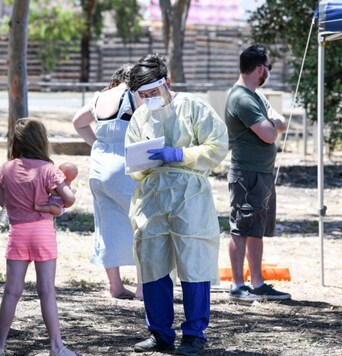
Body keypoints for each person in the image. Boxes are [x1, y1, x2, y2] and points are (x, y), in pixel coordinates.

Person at [126, 54, 228, 354]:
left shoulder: (194, 107)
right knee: (152, 263)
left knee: (193, 263)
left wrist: (180, 155)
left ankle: (195, 334)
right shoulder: (140, 117)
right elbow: (133, 164)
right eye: (142, 96)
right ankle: (159, 332)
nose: (148, 100)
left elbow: (217, 145)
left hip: (190, 197)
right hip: (152, 197)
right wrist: (144, 163)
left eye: (152, 93)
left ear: (167, 82)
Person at [0, 118, 77, 356]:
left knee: (11, 291)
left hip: (18, 234)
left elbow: (2, 202)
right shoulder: (48, 170)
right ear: (41, 141)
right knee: (46, 291)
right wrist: (55, 196)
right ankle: (56, 347)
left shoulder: (5, 168)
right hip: (42, 233)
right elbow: (70, 199)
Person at [225, 44, 291, 301]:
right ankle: (238, 286)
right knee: (241, 229)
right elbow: (269, 133)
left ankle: (257, 283)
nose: (268, 72)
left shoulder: (256, 96)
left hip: (260, 173)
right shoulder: (242, 97)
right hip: (247, 174)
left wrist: (273, 123)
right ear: (261, 68)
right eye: (268, 67)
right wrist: (273, 124)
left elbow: (280, 124)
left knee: (256, 230)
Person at [72, 64, 142, 300]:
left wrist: (98, 145)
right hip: (126, 167)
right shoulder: (133, 95)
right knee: (142, 225)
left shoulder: (100, 97)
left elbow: (77, 122)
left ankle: (116, 286)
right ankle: (143, 289)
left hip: (99, 170)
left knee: (107, 227)